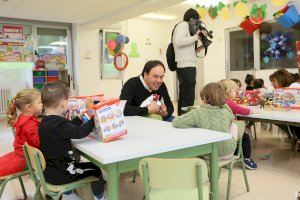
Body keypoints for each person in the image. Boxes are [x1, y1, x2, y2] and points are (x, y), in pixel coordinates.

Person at [39, 81, 106, 200]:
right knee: (96, 170)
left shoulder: (45, 122)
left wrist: (79, 119)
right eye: (68, 100)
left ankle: (69, 194)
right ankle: (100, 197)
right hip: (64, 174)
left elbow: (68, 128)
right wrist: (94, 118)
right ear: (63, 103)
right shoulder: (60, 124)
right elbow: (80, 133)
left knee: (83, 166)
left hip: (50, 173)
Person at [172, 82, 238, 159]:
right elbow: (232, 118)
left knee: (196, 127)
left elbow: (176, 122)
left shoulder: (198, 112)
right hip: (228, 152)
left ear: (204, 98)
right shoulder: (226, 111)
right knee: (233, 126)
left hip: (207, 153)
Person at [0, 89, 41, 177]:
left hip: (20, 154)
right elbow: (39, 143)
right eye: (39, 102)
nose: (42, 104)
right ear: (29, 107)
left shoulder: (22, 117)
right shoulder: (29, 124)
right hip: (25, 158)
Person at [173, 8, 207, 115]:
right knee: (187, 97)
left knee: (188, 96)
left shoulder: (188, 30)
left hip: (189, 66)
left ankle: (184, 118)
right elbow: (178, 41)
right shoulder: (183, 24)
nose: (196, 24)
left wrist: (201, 47)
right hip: (185, 66)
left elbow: (189, 51)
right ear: (191, 19)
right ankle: (184, 119)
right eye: (196, 21)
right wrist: (196, 37)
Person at [219, 79, 257, 170]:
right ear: (227, 92)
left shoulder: (218, 101)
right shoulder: (228, 102)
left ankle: (235, 153)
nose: (237, 93)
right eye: (235, 91)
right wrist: (250, 110)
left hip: (220, 129)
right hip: (229, 129)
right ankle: (246, 158)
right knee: (245, 137)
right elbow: (241, 110)